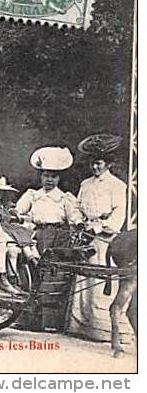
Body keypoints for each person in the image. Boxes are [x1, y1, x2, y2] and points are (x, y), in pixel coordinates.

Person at [68, 134, 131, 342]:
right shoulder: (85, 184)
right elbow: (77, 206)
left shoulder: (117, 185)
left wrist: (104, 228)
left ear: (108, 163)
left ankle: (104, 329)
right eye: (92, 163)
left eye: (99, 163)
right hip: (85, 233)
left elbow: (119, 212)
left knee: (101, 279)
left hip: (105, 240)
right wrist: (78, 222)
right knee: (83, 278)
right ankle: (81, 326)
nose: (95, 167)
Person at [14, 146, 80, 256]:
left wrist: (77, 225)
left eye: (53, 177)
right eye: (46, 176)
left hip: (59, 236)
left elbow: (74, 217)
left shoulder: (65, 198)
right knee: (37, 263)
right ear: (41, 177)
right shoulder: (32, 195)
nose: (49, 180)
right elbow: (18, 211)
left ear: (59, 178)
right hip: (37, 235)